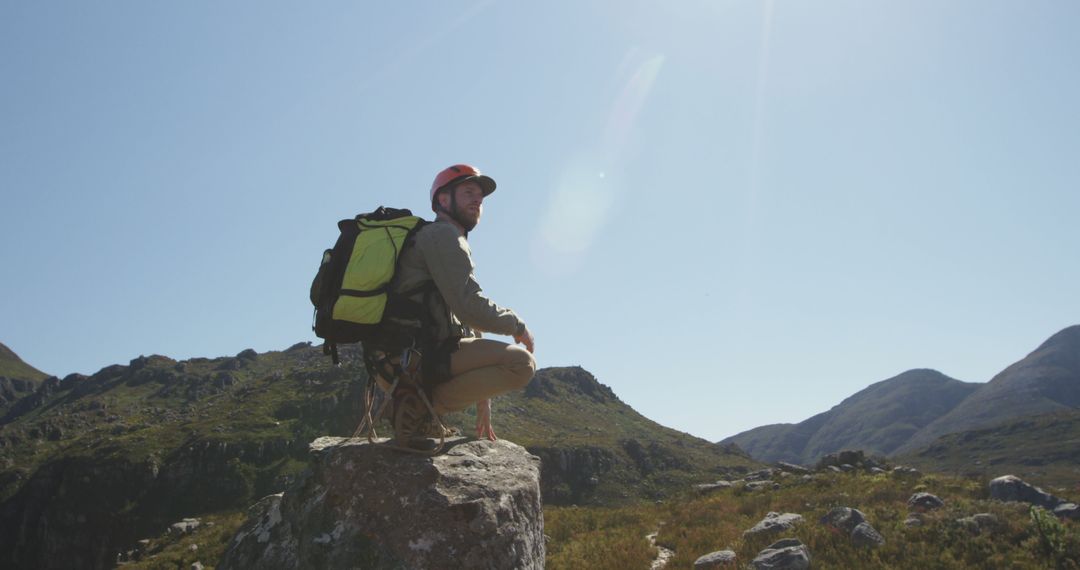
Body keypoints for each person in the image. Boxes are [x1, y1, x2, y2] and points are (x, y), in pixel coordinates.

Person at [386, 164, 536, 444]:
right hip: (411, 358)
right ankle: (420, 408)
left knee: (516, 362)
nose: (477, 200)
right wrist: (518, 324)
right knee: (521, 364)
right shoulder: (442, 236)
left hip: (406, 355)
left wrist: (483, 395)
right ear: (443, 200)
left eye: (479, 196)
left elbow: (460, 315)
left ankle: (422, 408)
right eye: (468, 192)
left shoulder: (437, 237)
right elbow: (469, 307)